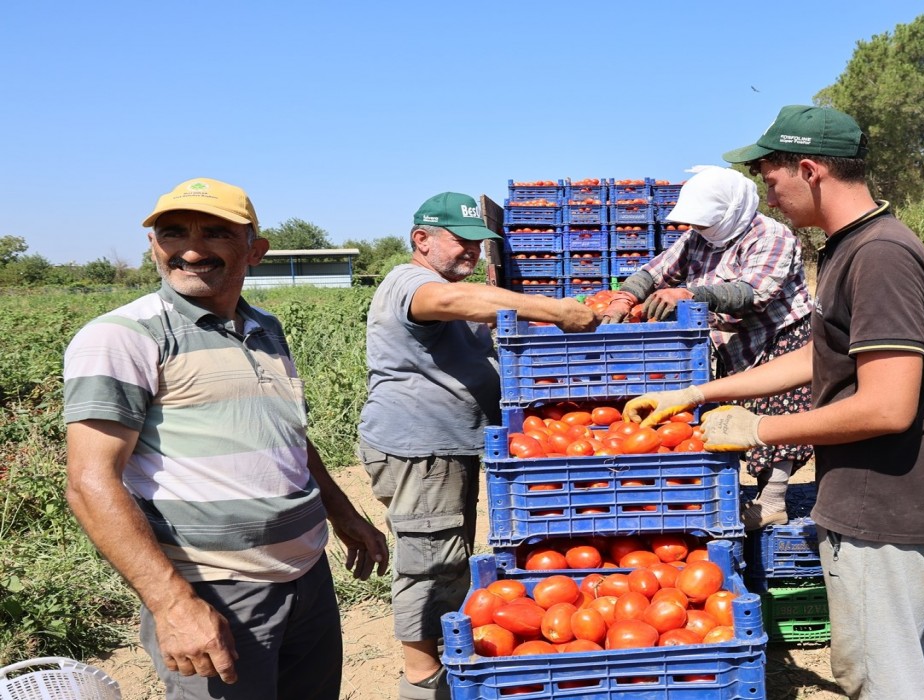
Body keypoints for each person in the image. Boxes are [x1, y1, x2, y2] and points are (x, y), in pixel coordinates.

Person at [624, 106, 924, 699]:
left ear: (809, 170)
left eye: (772, 179)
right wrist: (699, 392)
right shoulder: (849, 247)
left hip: (885, 497)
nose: (770, 197)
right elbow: (822, 357)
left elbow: (888, 407)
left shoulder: (879, 256)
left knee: (883, 676)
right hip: (871, 489)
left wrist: (761, 432)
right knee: (875, 659)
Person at [63, 177, 389, 700]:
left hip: (306, 577)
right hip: (214, 592)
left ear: (254, 250)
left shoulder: (265, 327)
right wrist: (174, 605)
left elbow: (289, 439)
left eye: (215, 233)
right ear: (153, 248)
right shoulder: (123, 337)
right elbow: (89, 481)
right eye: (173, 233)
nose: (191, 249)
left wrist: (345, 517)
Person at [358, 191, 597, 700]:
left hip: (450, 446)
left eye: (477, 243)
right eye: (459, 240)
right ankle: (423, 682)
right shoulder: (412, 282)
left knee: (449, 554)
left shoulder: (453, 285)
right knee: (430, 561)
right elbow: (443, 303)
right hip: (420, 448)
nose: (471, 251)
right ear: (421, 240)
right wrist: (552, 309)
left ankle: (447, 662)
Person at [601, 165, 815, 529]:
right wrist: (624, 297)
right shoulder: (698, 238)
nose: (697, 229)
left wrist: (691, 293)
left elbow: (753, 293)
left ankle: (774, 499)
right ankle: (755, 491)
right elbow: (656, 271)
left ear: (732, 209)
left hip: (781, 333)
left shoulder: (771, 236)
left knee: (775, 410)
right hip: (733, 338)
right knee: (738, 414)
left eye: (704, 221)